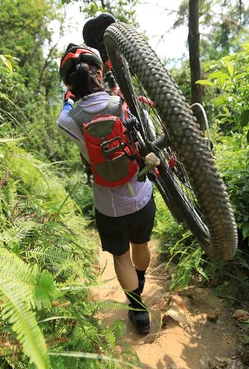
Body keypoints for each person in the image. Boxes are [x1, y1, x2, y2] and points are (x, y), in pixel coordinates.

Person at [57, 43, 156, 334]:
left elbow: (65, 112)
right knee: (141, 247)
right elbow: (148, 132)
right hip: (141, 195)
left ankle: (137, 308)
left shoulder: (68, 120)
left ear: (69, 84)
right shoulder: (124, 102)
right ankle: (141, 281)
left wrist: (68, 100)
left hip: (108, 207)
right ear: (99, 72)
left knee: (120, 257)